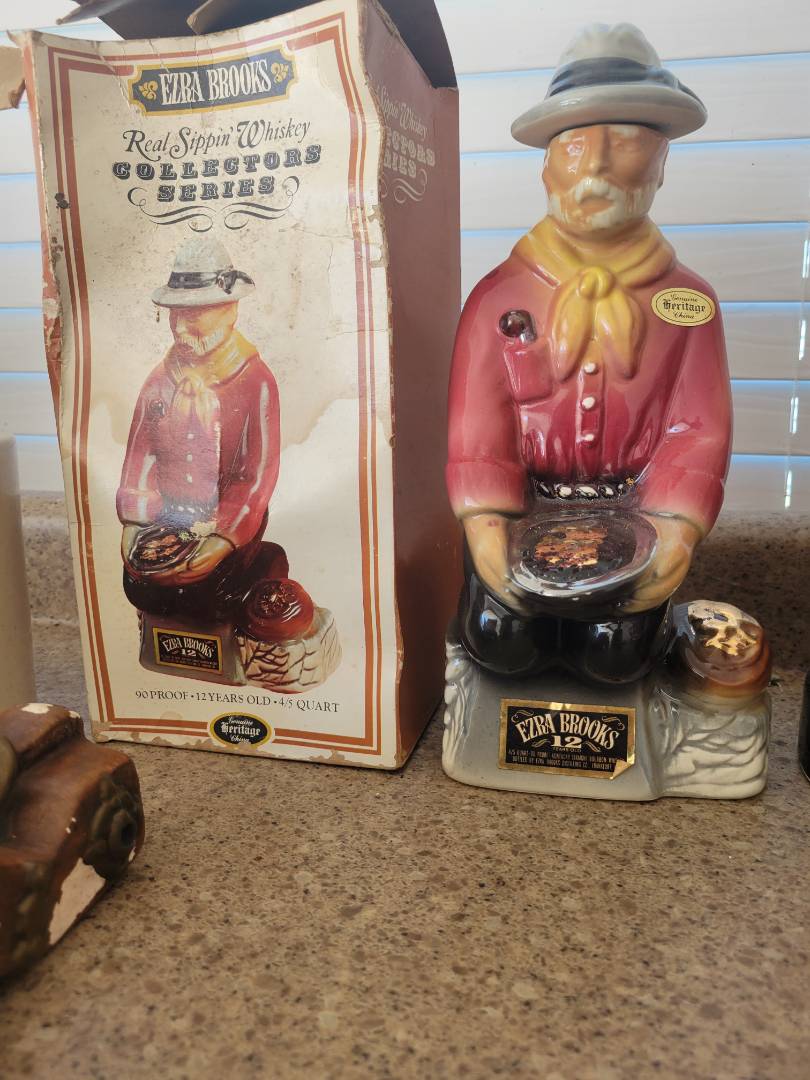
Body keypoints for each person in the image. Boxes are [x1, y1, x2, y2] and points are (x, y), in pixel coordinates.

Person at [447, 24, 732, 683]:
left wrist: (676, 528)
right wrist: (486, 521)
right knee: (500, 643)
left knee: (615, 657)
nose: (597, 166)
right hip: (522, 513)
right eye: (575, 145)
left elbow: (699, 430)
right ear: (546, 167)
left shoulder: (689, 304)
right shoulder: (496, 297)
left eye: (626, 143)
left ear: (660, 163)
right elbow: (477, 425)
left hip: (635, 520)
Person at [117, 235, 281, 619]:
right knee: (141, 585)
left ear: (229, 311)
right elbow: (141, 455)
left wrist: (223, 538)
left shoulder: (254, 381)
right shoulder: (160, 380)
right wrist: (134, 521)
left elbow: (255, 476)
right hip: (167, 517)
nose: (180, 327)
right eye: (175, 314)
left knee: (210, 592)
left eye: (193, 315)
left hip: (228, 519)